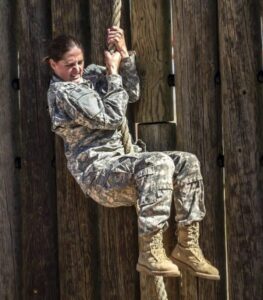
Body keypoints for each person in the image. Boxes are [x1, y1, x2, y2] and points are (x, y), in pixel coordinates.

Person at [45, 26, 220, 280]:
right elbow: (112, 117)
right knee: (157, 163)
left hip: (123, 163)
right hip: (101, 175)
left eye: (80, 62)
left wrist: (124, 56)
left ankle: (187, 245)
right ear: (53, 65)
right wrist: (113, 72)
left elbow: (131, 93)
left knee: (186, 162)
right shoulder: (62, 94)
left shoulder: (92, 76)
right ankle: (150, 253)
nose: (78, 69)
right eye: (69, 65)